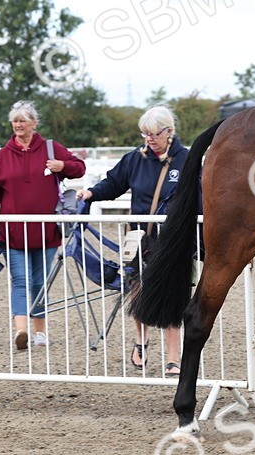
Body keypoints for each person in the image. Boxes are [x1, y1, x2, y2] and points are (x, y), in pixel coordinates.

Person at [77, 106, 188, 376]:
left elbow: (199, 195)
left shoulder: (186, 159)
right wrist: (90, 193)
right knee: (137, 291)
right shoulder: (134, 160)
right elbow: (113, 184)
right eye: (145, 133)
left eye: (154, 134)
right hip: (138, 237)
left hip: (173, 239)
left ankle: (174, 358)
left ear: (169, 131)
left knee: (173, 295)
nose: (149, 139)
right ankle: (141, 341)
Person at [0, 101, 86, 350]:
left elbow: (79, 168)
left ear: (34, 124)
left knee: (40, 281)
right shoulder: (3, 156)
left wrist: (63, 166)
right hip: (14, 233)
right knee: (20, 280)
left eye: (23, 120)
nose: (18, 125)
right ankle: (21, 331)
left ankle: (40, 332)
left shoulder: (52, 149)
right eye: (15, 121)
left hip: (47, 232)